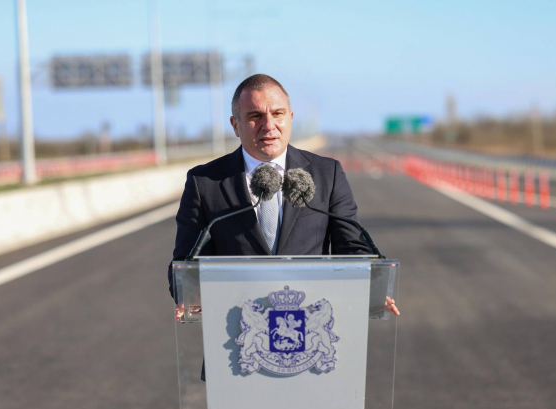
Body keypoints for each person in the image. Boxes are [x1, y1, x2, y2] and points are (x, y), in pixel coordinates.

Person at [168, 74, 399, 317]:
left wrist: (369, 284)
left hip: (314, 326)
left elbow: (351, 246)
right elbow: (185, 264)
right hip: (237, 327)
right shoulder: (205, 182)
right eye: (255, 116)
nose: (269, 125)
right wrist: (191, 293)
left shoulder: (327, 174)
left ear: (290, 118)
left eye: (278, 114)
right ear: (235, 125)